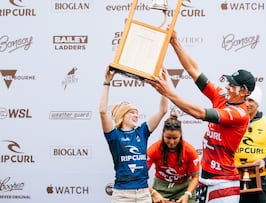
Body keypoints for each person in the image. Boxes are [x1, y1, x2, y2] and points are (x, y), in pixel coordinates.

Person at [147, 30, 256, 203]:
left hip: (223, 184)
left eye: (232, 85)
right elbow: (194, 71)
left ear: (243, 92)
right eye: (228, 82)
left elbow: (199, 113)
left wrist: (168, 92)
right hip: (207, 181)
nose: (227, 87)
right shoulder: (222, 97)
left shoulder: (240, 114)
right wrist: (175, 43)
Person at [99, 66, 168, 203]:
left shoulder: (142, 131)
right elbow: (102, 111)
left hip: (143, 193)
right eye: (131, 112)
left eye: (136, 112)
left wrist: (165, 88)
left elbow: (163, 110)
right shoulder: (114, 136)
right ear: (121, 116)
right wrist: (107, 83)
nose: (136, 115)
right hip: (122, 195)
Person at [234, 86, 266, 203]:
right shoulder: (232, 123)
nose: (247, 103)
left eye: (251, 100)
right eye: (245, 99)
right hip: (235, 179)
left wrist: (264, 162)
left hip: (261, 180)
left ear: (257, 103)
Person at [147, 114, 200, 203]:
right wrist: (153, 193)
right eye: (168, 138)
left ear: (180, 136)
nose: (171, 142)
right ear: (163, 134)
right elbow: (140, 176)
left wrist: (187, 194)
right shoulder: (154, 149)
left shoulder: (190, 151)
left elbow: (195, 177)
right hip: (161, 187)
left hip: (184, 188)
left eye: (175, 138)